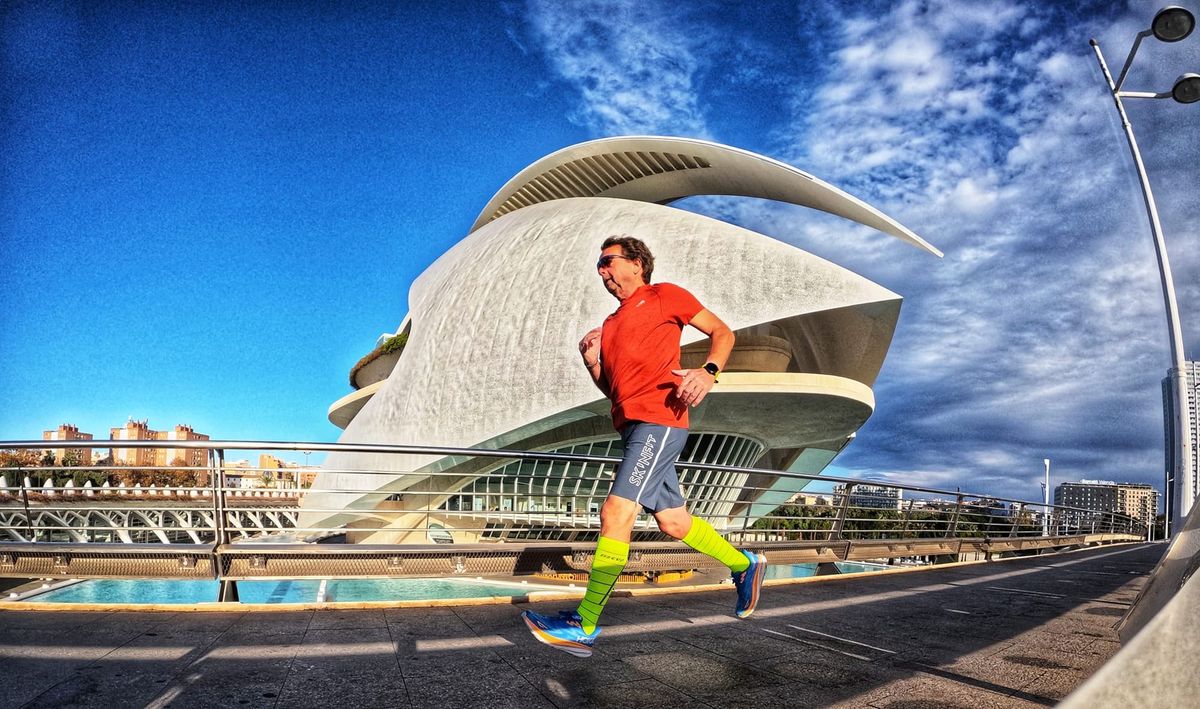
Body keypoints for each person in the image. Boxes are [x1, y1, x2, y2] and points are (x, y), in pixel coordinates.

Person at [521, 235, 766, 658]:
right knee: (674, 522)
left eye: (608, 261)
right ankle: (744, 564)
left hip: (660, 420)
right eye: (599, 266)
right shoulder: (610, 324)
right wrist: (593, 362)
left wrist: (708, 371)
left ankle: (584, 624)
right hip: (633, 427)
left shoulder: (664, 295)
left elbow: (722, 332)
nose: (602, 271)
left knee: (616, 511)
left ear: (637, 263)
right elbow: (614, 390)